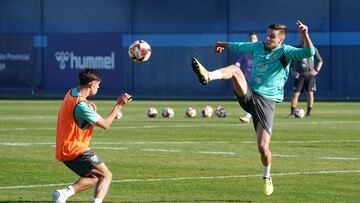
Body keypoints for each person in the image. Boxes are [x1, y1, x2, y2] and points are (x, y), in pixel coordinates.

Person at [191, 20, 315, 196]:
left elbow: (309, 52)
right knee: (235, 69)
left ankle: (267, 176)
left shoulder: (285, 52)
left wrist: (304, 34)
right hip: (250, 94)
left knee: (263, 148)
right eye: (267, 35)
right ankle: (208, 75)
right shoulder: (257, 47)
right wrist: (221, 44)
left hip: (266, 103)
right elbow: (237, 46)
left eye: (272, 37)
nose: (268, 39)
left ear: (280, 40)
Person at [52, 68, 132, 203]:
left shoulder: (71, 93)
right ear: (91, 84)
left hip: (64, 148)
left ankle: (63, 194)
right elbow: (105, 124)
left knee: (95, 177)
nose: (99, 87)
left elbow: (77, 103)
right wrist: (118, 105)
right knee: (107, 175)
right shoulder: (82, 106)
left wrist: (87, 102)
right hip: (75, 148)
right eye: (98, 84)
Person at [289, 35, 323, 118]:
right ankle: (292, 113)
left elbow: (320, 61)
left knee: (310, 93)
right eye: (302, 38)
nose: (303, 40)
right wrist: (292, 71)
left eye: (305, 38)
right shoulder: (296, 49)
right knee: (295, 94)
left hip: (309, 75)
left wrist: (316, 70)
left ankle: (309, 113)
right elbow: (290, 63)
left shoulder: (313, 49)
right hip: (299, 75)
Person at [236, 32, 259, 124]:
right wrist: (236, 65)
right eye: (250, 38)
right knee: (249, 99)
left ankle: (248, 117)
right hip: (247, 79)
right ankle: (255, 114)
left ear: (257, 40)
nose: (251, 40)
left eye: (253, 38)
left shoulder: (260, 51)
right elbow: (239, 62)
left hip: (258, 80)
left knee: (253, 98)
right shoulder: (246, 52)